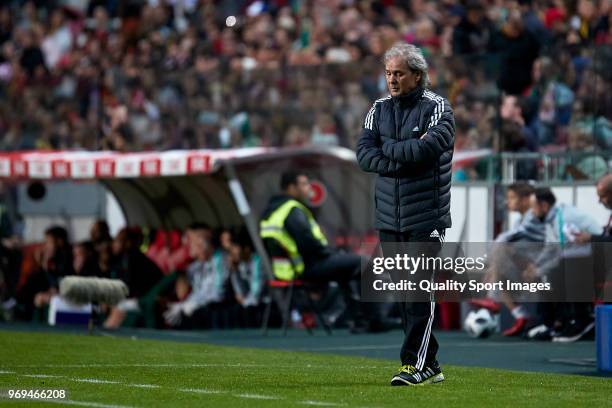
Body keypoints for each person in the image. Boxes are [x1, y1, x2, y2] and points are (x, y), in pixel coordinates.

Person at [356, 43, 454, 386]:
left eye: (398, 73)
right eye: (388, 73)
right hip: (388, 217)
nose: (392, 80)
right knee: (403, 291)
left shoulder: (439, 107)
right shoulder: (377, 109)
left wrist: (388, 150)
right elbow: (364, 155)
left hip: (426, 216)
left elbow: (428, 148)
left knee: (418, 289)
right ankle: (432, 363)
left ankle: (414, 364)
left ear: (417, 75)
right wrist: (402, 155)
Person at [259, 170, 372, 332]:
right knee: (364, 262)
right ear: (291, 187)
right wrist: (332, 253)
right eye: (304, 184)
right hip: (307, 267)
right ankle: (373, 319)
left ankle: (361, 321)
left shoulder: (271, 211)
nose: (308, 188)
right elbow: (309, 245)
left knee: (345, 269)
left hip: (287, 271)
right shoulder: (292, 210)